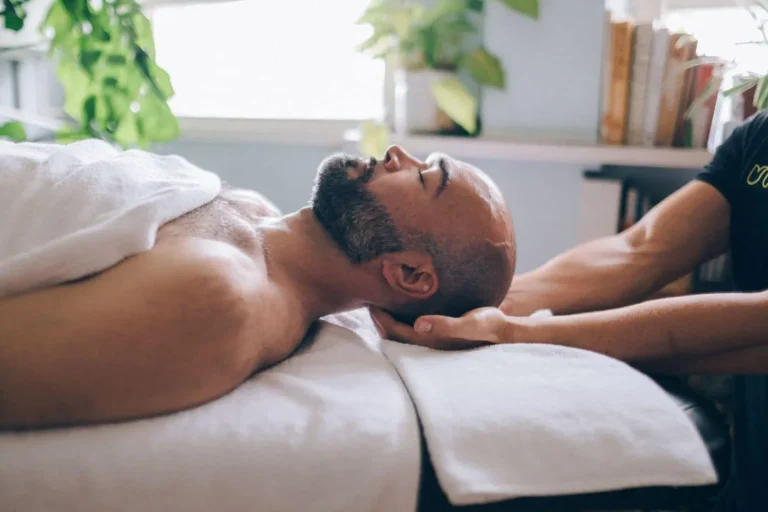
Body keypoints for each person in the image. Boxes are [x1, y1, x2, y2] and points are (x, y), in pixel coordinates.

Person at [371, 111, 768, 511]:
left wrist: (510, 332)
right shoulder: (759, 136)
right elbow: (639, 251)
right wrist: (476, 305)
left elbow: (754, 326)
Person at [0, 145, 515, 430]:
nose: (398, 153)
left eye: (425, 177)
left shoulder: (220, 302)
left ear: (407, 274)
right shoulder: (256, 212)